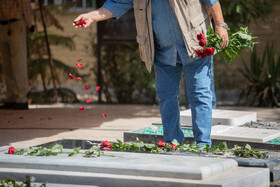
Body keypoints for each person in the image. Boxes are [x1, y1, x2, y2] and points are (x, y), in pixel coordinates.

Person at [73, 0, 228, 147]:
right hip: (163, 51)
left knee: (200, 94)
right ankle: (172, 142)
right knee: (166, 97)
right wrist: (91, 16)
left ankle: (202, 144)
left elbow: (212, 1)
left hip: (196, 44)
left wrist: (220, 25)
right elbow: (116, 3)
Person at [0, 0, 33, 110]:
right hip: (2, 24)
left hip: (16, 22)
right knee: (6, 64)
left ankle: (22, 98)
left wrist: (29, 23)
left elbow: (25, 3)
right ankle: (10, 98)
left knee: (18, 62)